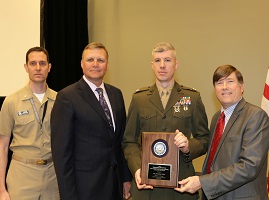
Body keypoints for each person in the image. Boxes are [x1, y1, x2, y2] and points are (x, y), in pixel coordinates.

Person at [122, 42, 210, 200]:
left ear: (176, 64)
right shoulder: (139, 99)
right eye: (157, 60)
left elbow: (204, 139)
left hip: (181, 185)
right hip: (146, 187)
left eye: (167, 60)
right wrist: (137, 169)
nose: (162, 65)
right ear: (152, 65)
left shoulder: (192, 98)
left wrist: (188, 146)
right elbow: (129, 141)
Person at [51, 42, 132, 200]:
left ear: (107, 65)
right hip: (84, 189)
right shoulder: (67, 97)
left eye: (100, 60)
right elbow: (61, 154)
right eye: (90, 60)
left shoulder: (116, 94)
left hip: (114, 186)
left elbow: (120, 142)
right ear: (82, 64)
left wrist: (126, 178)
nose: (95, 64)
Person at [175, 65, 269, 199]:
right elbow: (215, 157)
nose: (224, 87)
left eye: (230, 81)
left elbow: (249, 166)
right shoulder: (216, 118)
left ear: (241, 87)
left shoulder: (255, 116)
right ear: (215, 90)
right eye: (219, 83)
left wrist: (203, 182)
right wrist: (187, 146)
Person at [0, 47, 59, 199]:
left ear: (49, 67)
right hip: (21, 175)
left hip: (53, 176)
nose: (38, 68)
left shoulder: (61, 101)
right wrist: (1, 189)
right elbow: (3, 147)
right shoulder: (11, 101)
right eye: (33, 63)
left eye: (42, 63)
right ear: (26, 67)